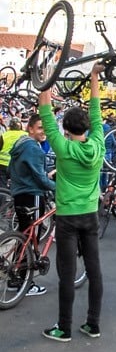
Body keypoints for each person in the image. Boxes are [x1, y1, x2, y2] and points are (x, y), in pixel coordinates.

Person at [38, 62, 105, 342]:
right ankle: (93, 324)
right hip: (90, 214)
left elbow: (45, 113)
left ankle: (64, 327)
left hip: (67, 216)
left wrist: (44, 81)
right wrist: (94, 77)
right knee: (94, 270)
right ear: (87, 128)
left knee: (67, 274)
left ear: (66, 129)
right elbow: (96, 110)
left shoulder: (63, 148)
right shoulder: (98, 143)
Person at [8, 113, 56, 296]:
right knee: (30, 236)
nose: (43, 132)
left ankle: (16, 278)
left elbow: (16, 171)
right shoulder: (34, 149)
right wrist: (57, 188)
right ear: (30, 128)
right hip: (32, 194)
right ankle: (25, 282)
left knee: (24, 234)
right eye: (40, 128)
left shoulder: (20, 145)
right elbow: (41, 179)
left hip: (20, 193)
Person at [0, 118, 25, 188]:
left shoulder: (4, 135)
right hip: (17, 165)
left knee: (2, 186)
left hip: (3, 164)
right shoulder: (25, 135)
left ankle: (3, 196)